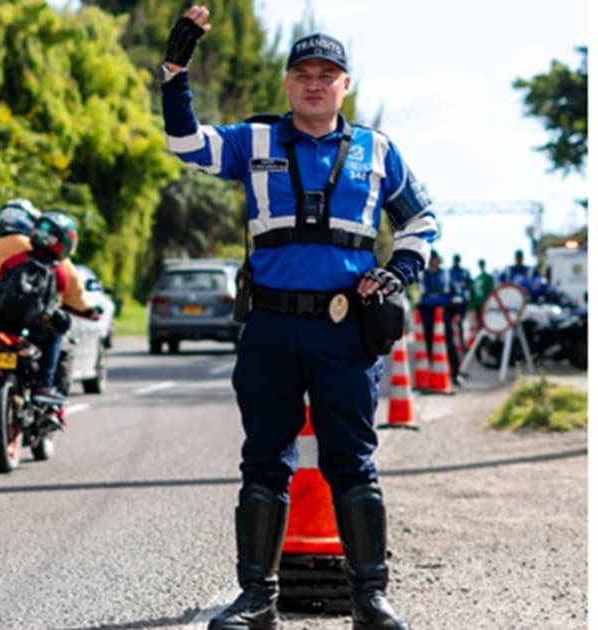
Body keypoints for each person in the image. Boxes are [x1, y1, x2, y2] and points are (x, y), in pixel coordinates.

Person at [161, 8, 434, 629]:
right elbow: (185, 144)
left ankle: (370, 599)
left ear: (345, 85)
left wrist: (398, 273)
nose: (315, 83)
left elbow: (421, 221)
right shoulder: (252, 141)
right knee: (264, 459)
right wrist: (175, 73)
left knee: (353, 461)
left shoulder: (377, 150)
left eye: (327, 74)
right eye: (304, 73)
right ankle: (257, 600)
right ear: (288, 83)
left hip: (346, 330)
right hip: (271, 329)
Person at [0, 206, 99, 422]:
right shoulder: (57, 265)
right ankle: (44, 386)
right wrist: (87, 309)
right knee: (56, 335)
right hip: (33, 325)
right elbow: (69, 290)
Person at [418, 251, 461, 384]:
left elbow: (456, 295)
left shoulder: (446, 275)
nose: (433, 261)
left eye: (435, 258)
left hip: (443, 312)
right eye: (430, 258)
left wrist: (457, 313)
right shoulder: (422, 274)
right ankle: (434, 373)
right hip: (427, 312)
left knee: (448, 343)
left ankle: (454, 373)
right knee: (429, 343)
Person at [448, 253, 472, 355]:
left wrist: (467, 297)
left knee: (461, 323)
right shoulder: (449, 272)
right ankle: (451, 344)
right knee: (450, 323)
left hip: (462, 302)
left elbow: (469, 285)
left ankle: (462, 344)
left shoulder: (464, 272)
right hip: (452, 302)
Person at [469, 259, 494, 324]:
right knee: (479, 322)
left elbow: (490, 291)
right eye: (480, 265)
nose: (481, 266)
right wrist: (472, 304)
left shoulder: (488, 277)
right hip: (477, 304)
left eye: (482, 264)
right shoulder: (476, 279)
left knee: (486, 322)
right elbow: (473, 292)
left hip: (485, 304)